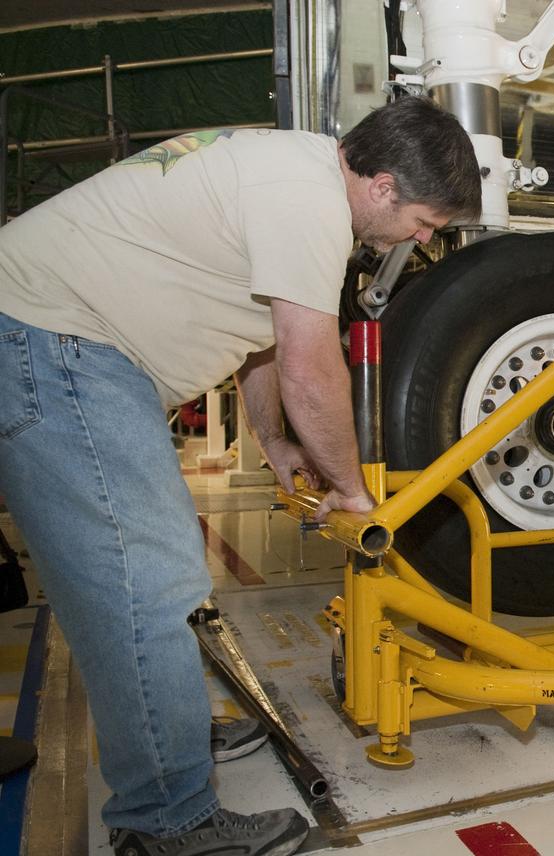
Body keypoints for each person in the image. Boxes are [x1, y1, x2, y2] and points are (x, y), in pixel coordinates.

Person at [0, 96, 480, 856]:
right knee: (145, 580)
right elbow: (308, 365)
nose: (422, 239)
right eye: (424, 222)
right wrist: (353, 490)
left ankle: (164, 737)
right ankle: (166, 820)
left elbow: (258, 337)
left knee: (143, 579)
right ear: (384, 186)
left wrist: (274, 439)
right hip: (55, 341)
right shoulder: (306, 202)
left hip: (52, 336)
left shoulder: (294, 171)